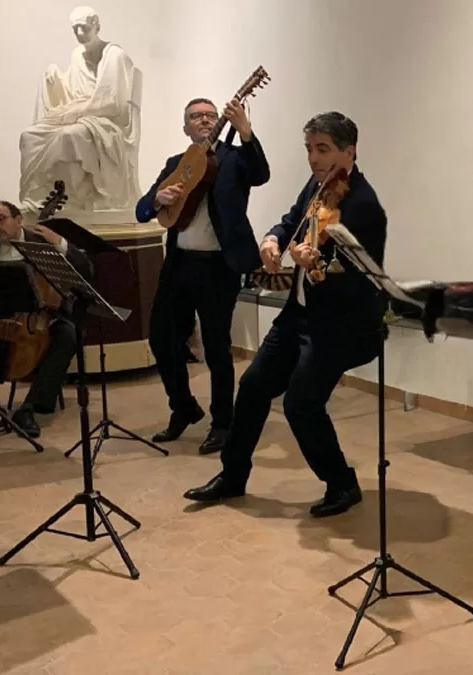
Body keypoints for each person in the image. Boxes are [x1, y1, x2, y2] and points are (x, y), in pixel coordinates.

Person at [183, 111, 387, 518]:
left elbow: (362, 282)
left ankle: (342, 484)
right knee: (253, 386)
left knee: (300, 404)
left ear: (349, 152)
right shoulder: (317, 184)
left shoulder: (364, 206)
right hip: (300, 314)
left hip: (340, 324)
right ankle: (233, 476)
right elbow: (291, 221)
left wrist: (315, 265)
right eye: (309, 148)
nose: (313, 158)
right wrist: (272, 240)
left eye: (323, 149)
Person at [136, 98, 269, 452]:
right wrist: (159, 199)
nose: (205, 120)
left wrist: (245, 131)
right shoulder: (175, 164)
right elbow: (142, 210)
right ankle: (183, 408)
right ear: (186, 127)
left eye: (210, 115)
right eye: (196, 116)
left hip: (218, 267)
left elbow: (260, 175)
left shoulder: (234, 158)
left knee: (216, 347)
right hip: (178, 264)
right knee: (162, 339)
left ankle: (223, 423)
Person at [0, 200, 92, 438]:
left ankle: (30, 408)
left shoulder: (42, 243)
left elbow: (85, 268)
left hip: (42, 318)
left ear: (18, 220)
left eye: (1, 219)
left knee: (69, 335)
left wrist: (59, 243)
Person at [19, 7, 142, 215]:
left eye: (84, 28)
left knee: (69, 136)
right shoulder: (77, 55)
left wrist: (78, 112)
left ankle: (72, 198)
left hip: (105, 121)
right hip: (79, 113)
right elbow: (71, 89)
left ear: (97, 26)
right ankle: (37, 197)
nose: (79, 33)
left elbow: (113, 104)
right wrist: (55, 78)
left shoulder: (115, 55)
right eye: (74, 28)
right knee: (29, 136)